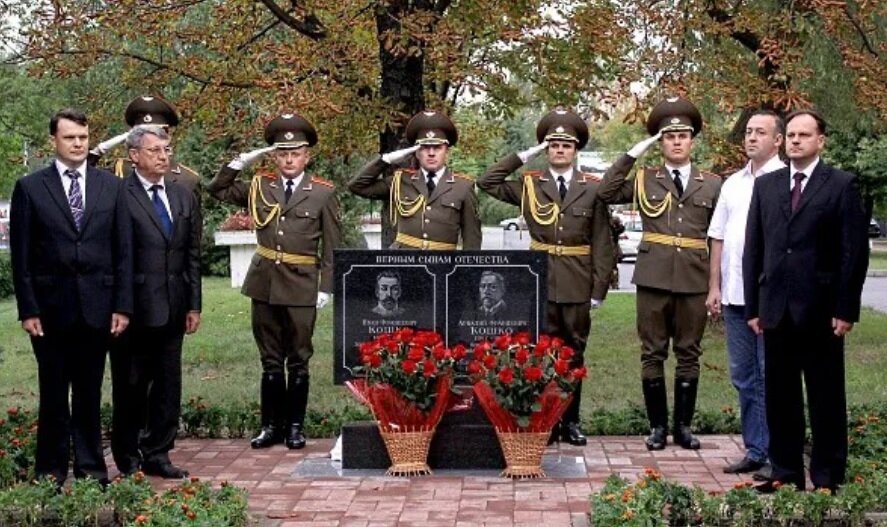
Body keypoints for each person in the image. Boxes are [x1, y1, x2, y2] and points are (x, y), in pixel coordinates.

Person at [743, 109, 868, 493]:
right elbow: (754, 249)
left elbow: (853, 253)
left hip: (822, 310)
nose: (796, 141)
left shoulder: (841, 185)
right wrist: (753, 307)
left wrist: (845, 309)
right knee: (780, 397)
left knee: (825, 396)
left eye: (804, 135)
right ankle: (785, 473)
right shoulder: (767, 186)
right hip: (776, 309)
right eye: (792, 135)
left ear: (820, 141)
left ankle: (828, 476)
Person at [478, 108, 616, 445]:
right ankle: (546, 421)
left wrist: (599, 289)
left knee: (574, 353)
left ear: (575, 150)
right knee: (539, 352)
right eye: (553, 145)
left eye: (566, 145)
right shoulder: (530, 184)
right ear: (546, 149)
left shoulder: (593, 188)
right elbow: (487, 182)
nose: (559, 150)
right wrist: (525, 155)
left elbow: (602, 241)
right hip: (538, 279)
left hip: (577, 280)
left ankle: (571, 421)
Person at [10, 108, 133, 485]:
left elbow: (123, 251)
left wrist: (122, 305)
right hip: (49, 311)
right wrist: (28, 308)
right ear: (54, 141)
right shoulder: (30, 188)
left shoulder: (112, 187)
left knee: (89, 394)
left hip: (98, 307)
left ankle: (91, 472)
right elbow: (21, 256)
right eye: (70, 138)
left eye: (83, 137)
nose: (78, 144)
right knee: (52, 394)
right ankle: (49, 473)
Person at [208, 113, 341, 450]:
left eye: (295, 153)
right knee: (269, 358)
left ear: (307, 156)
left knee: (298, 357)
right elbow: (217, 189)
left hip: (301, 284)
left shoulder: (322, 193)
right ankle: (270, 426)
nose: (289, 160)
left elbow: (332, 246)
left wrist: (326, 286)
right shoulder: (260, 186)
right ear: (274, 157)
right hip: (264, 282)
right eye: (282, 154)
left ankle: (295, 427)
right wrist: (239, 162)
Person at [597, 96, 722, 451]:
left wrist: (717, 285)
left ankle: (683, 428)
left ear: (692, 141)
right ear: (660, 143)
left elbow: (720, 235)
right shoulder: (644, 179)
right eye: (669, 137)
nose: (677, 142)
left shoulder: (712, 183)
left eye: (683, 136)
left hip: (694, 278)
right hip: (653, 278)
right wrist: (632, 154)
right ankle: (657, 428)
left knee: (689, 352)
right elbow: (605, 192)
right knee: (652, 352)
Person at [110, 126, 202, 479]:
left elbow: (191, 254)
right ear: (134, 155)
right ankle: (128, 455)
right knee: (131, 385)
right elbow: (115, 255)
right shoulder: (120, 194)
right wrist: (119, 306)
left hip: (174, 306)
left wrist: (193, 304)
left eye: (167, 149)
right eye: (155, 150)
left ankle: (158, 453)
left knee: (167, 385)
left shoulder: (182, 195)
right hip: (133, 309)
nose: (164, 156)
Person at [706, 110, 785, 476]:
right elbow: (718, 236)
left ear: (778, 140)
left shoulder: (785, 181)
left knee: (771, 375)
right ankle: (756, 449)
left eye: (760, 132)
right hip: (735, 296)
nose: (751, 137)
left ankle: (777, 454)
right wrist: (714, 286)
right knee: (743, 376)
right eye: (749, 131)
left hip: (769, 299)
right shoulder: (732, 184)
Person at [348, 110, 481, 250]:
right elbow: (357, 186)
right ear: (416, 152)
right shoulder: (400, 181)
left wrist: (468, 264)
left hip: (443, 261)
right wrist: (386, 159)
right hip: (404, 260)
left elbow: (472, 238)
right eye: (424, 148)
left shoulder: (463, 187)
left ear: (446, 151)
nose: (431, 153)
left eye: (437, 147)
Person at [88, 94, 201, 198]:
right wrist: (98, 151)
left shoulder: (187, 179)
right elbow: (84, 181)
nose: (150, 139)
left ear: (168, 137)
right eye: (141, 134)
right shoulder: (120, 171)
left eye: (157, 134)